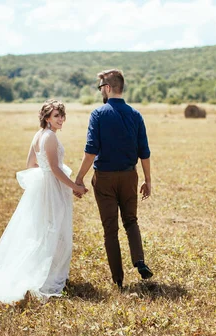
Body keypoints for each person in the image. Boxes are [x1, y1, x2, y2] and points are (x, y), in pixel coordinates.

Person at [0, 99, 87, 304]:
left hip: (45, 187)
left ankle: (50, 272)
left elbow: (30, 164)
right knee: (55, 232)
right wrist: (74, 186)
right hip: (51, 189)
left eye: (62, 115)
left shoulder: (38, 135)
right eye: (56, 116)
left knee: (44, 230)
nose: (61, 119)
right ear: (47, 117)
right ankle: (49, 277)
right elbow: (55, 169)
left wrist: (43, 180)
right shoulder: (49, 137)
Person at [74, 69, 153, 289]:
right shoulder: (136, 115)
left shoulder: (98, 114)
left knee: (110, 229)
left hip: (105, 179)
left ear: (107, 88)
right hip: (130, 176)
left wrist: (79, 177)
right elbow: (144, 152)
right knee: (131, 221)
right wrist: (147, 180)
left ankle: (118, 280)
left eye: (100, 87)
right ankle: (139, 261)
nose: (101, 91)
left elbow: (91, 151)